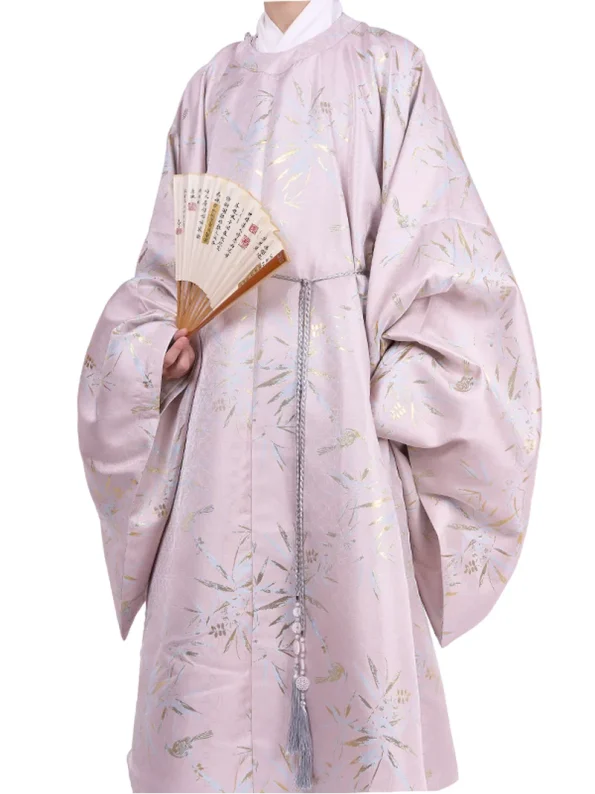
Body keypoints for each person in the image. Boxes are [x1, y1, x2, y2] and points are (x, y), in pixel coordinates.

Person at [77, 2, 542, 792]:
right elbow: (162, 275)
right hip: (221, 428)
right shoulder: (209, 90)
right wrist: (158, 350)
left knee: (351, 657)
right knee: (217, 704)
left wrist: (396, 388)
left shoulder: (388, 69)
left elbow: (449, 267)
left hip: (345, 420)